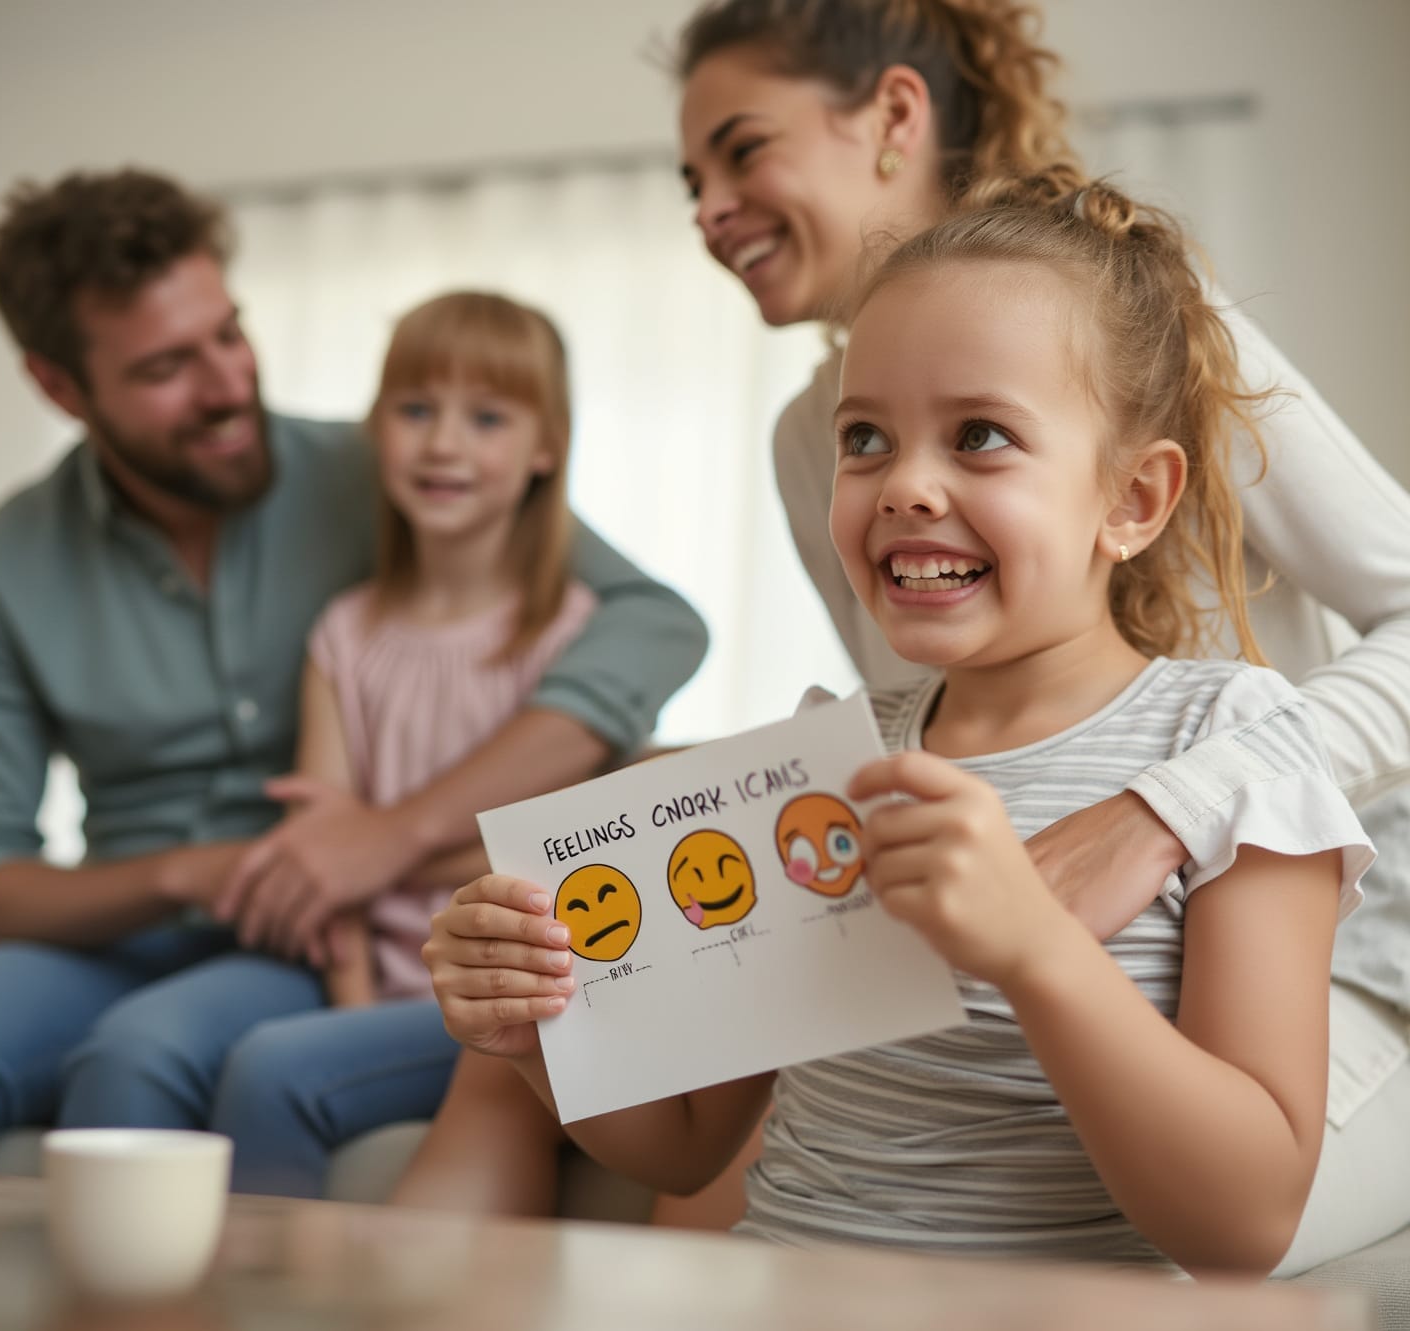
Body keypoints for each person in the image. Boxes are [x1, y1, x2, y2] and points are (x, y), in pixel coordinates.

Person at [423, 167, 1373, 1275]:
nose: (903, 486)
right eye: (865, 439)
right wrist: (536, 1037)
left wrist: (1034, 947)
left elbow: (1243, 1224)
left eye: (979, 436)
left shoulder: (1232, 748)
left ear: (1132, 501)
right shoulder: (823, 752)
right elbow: (684, 1149)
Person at [672, 0, 1410, 1270]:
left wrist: (1174, 806)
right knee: (715, 1195)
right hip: (1021, 911)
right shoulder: (806, 439)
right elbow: (937, 714)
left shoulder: (1142, 333)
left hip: (1297, 923)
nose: (708, 209)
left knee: (1120, 1209)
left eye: (742, 150)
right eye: (871, 439)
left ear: (896, 117)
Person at [0, 169, 706, 1171]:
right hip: (136, 924)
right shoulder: (4, 566)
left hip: (318, 939)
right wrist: (194, 871)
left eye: (229, 333)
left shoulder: (396, 471)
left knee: (142, 1054)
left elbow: (652, 625)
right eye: (166, 368)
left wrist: (396, 835)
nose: (228, 383)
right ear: (60, 387)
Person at [210, 291, 595, 1197]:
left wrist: (376, 847)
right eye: (415, 410)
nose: (443, 444)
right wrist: (351, 1014)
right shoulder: (344, 636)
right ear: (375, 431)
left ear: (544, 448)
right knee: (262, 1049)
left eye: (487, 417)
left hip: (497, 1001)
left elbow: (541, 862)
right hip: (366, 997)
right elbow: (321, 864)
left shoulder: (567, 639)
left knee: (271, 1068)